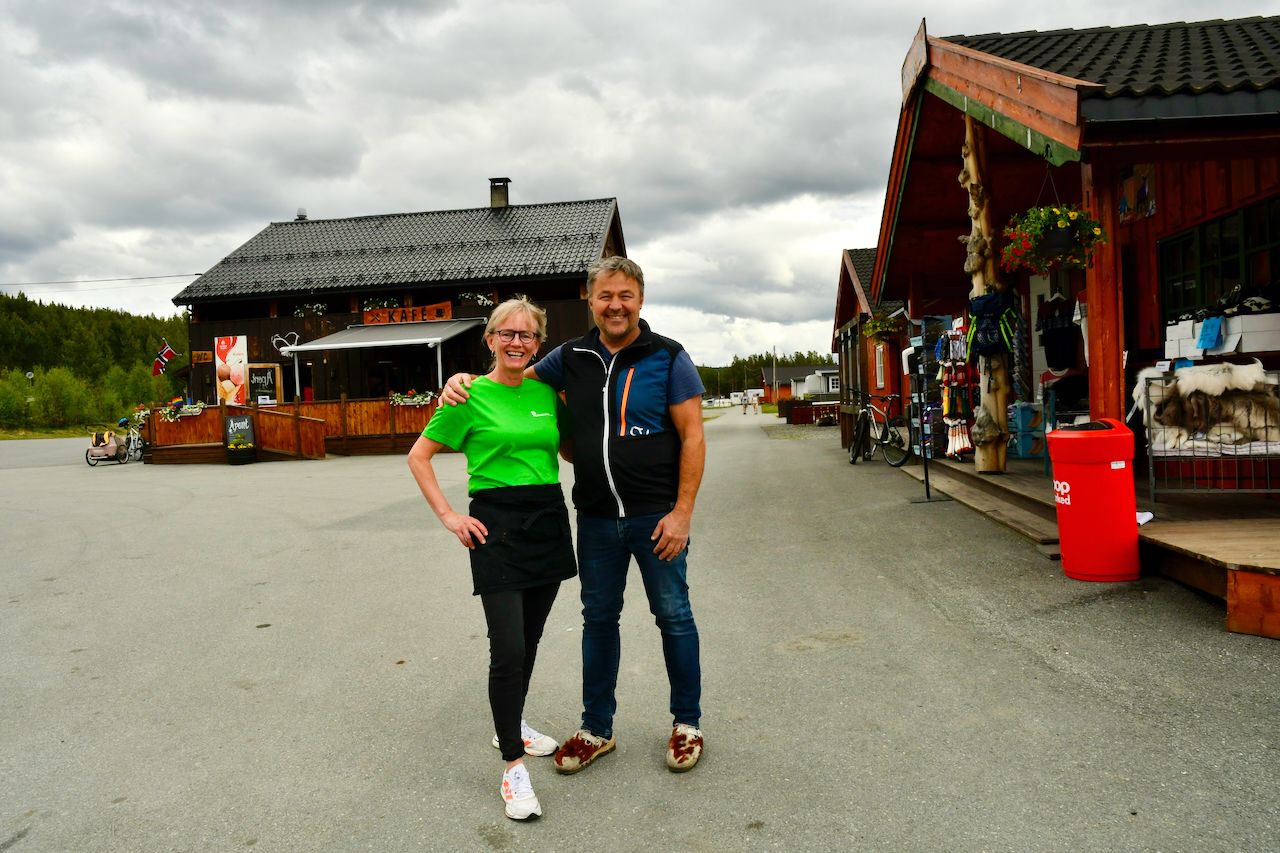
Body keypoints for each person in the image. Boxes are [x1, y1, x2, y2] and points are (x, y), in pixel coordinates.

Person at [442, 255, 708, 775]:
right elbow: (509, 376)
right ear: (591, 301)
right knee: (599, 622)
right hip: (596, 519)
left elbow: (694, 437)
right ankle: (596, 729)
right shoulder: (571, 356)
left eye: (625, 296)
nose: (615, 305)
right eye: (606, 296)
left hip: (657, 518)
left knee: (674, 618)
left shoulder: (670, 357)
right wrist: (463, 381)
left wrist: (682, 513)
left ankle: (687, 724)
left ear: (640, 300)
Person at [407, 297, 576, 821]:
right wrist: (450, 517)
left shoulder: (549, 392)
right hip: (495, 525)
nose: (517, 342)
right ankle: (512, 766)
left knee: (530, 640)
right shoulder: (468, 395)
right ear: (490, 339)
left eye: (527, 335)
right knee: (506, 648)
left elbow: (568, 450)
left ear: (538, 343)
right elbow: (419, 456)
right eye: (507, 333)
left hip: (547, 519)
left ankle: (515, 719)